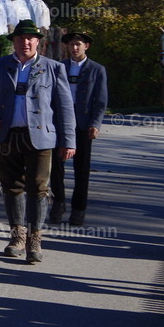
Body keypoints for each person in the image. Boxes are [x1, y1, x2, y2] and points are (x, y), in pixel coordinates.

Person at [0, 19, 76, 263]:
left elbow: (64, 106)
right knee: (11, 187)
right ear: (14, 42)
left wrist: (69, 140)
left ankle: (35, 240)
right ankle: (17, 237)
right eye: (20, 39)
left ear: (38, 42)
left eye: (30, 38)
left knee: (38, 188)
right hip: (7, 135)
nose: (25, 42)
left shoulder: (53, 68)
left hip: (40, 137)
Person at [49, 31, 108, 226]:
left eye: (78, 44)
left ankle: (78, 208)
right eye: (71, 44)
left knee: (81, 169)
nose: (74, 48)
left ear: (86, 46)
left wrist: (95, 123)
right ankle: (58, 203)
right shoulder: (59, 67)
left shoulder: (97, 70)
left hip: (83, 125)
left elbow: (100, 101)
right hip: (60, 124)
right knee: (56, 167)